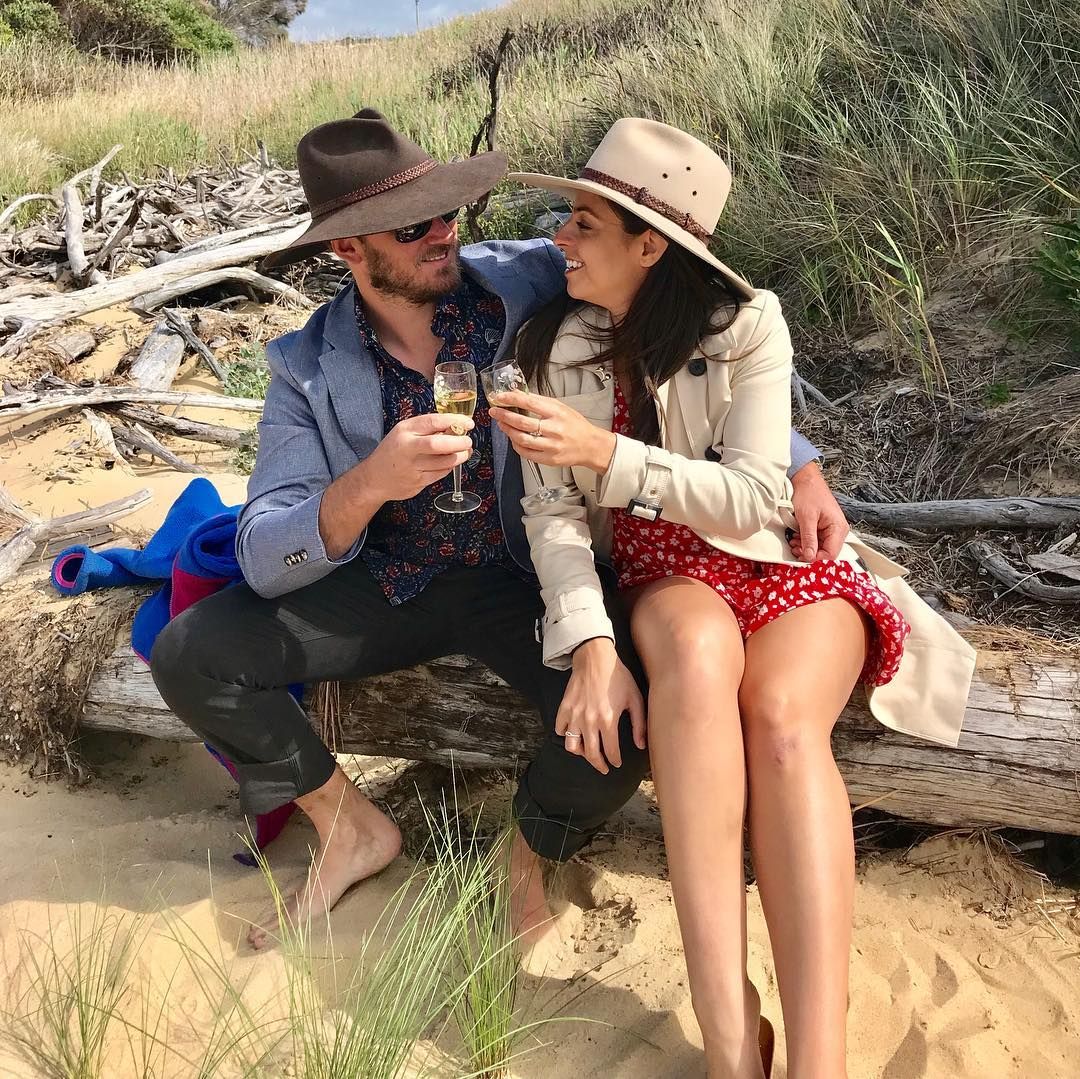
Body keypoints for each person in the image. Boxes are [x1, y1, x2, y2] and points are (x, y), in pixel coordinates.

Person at [149, 109, 846, 954]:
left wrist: (799, 464)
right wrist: (370, 484)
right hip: (388, 580)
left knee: (618, 726)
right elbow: (263, 551)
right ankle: (348, 827)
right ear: (350, 250)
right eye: (413, 228)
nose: (444, 233)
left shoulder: (530, 278)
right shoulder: (305, 366)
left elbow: (680, 319)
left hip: (524, 572)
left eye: (446, 212)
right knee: (190, 652)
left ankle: (524, 856)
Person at [489, 119, 975, 1078]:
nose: (560, 238)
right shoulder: (551, 345)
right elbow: (554, 517)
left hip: (775, 556)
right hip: (665, 568)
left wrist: (605, 454)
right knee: (695, 660)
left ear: (650, 247)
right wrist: (590, 643)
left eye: (583, 223)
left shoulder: (750, 325)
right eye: (565, 217)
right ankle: (727, 1040)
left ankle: (818, 1058)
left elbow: (758, 496)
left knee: (786, 721)